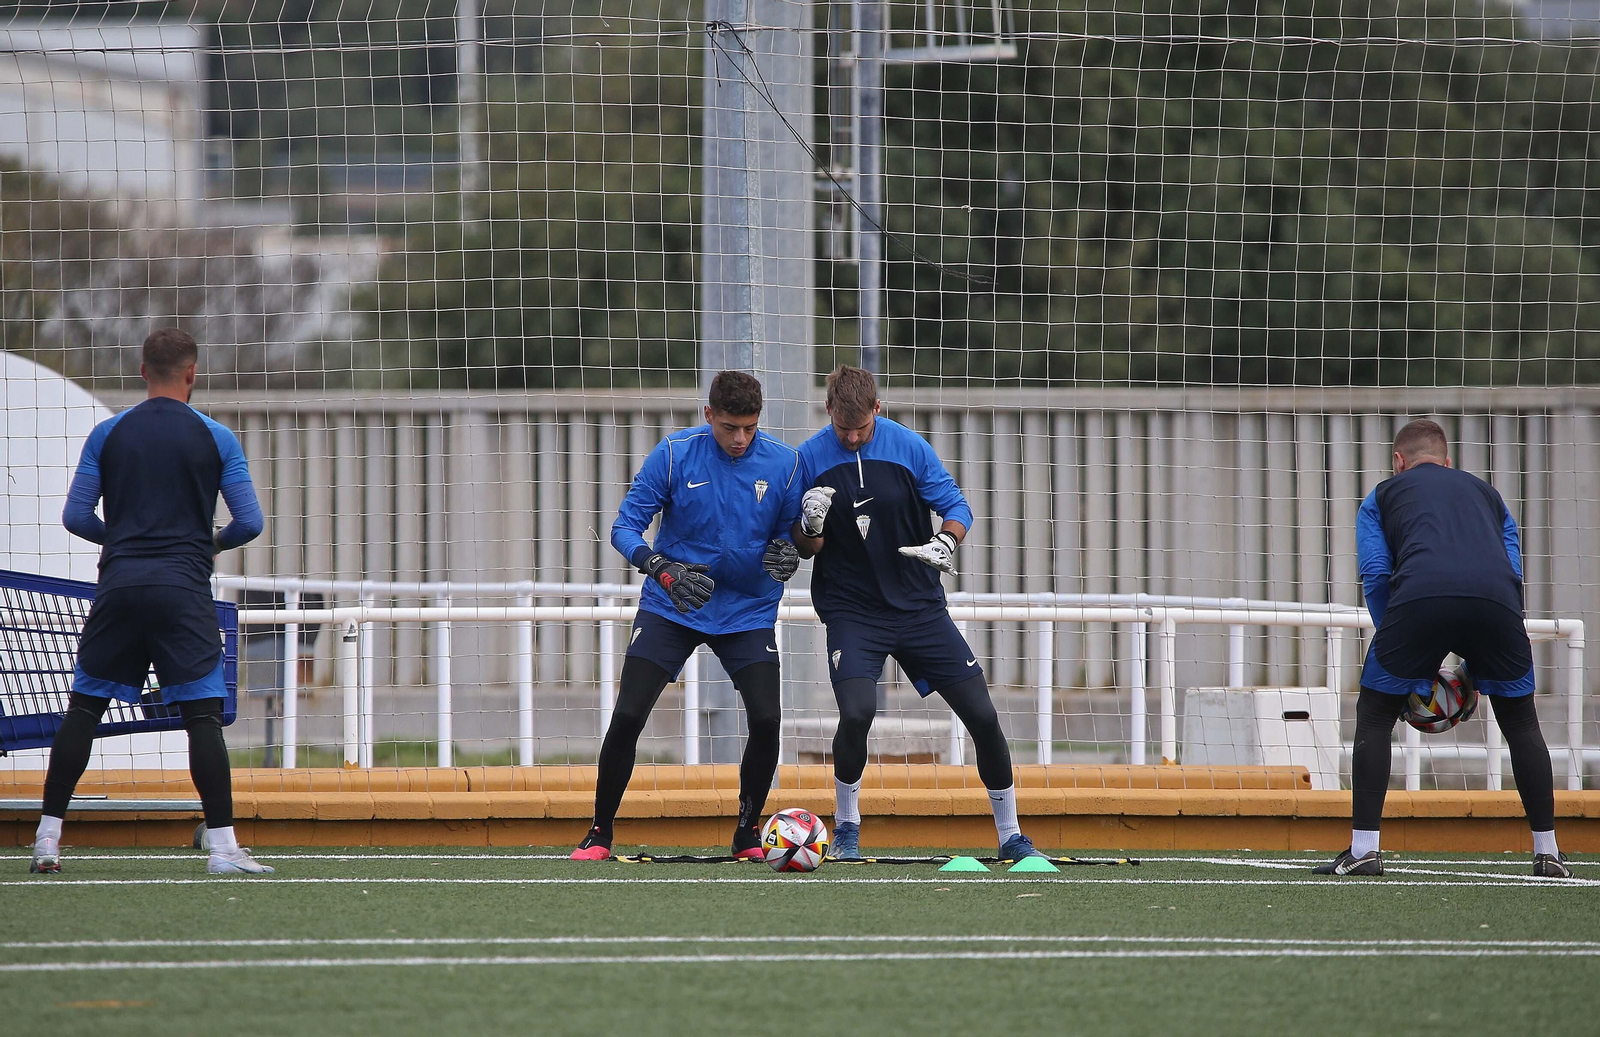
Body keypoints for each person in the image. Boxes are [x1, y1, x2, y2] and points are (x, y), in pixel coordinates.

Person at [30, 328, 270, 876]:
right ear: (192, 373)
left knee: (85, 709)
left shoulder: (108, 434)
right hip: (182, 588)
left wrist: (119, 541)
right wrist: (207, 542)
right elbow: (250, 522)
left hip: (120, 586)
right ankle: (224, 850)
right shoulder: (216, 438)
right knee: (202, 717)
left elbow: (75, 516)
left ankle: (47, 838)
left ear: (143, 371)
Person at [793, 366, 1042, 861]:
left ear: (877, 411)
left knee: (983, 715)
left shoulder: (911, 448)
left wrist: (947, 539)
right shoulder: (807, 458)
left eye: (861, 427)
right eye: (843, 427)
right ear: (828, 412)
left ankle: (1011, 833)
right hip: (853, 612)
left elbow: (957, 507)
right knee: (857, 713)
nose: (851, 436)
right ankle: (846, 828)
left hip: (920, 609)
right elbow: (805, 548)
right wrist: (808, 522)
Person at [1317, 418, 1572, 878]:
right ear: (1447, 461)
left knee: (1375, 713)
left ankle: (1364, 851)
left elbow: (1376, 572)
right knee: (1520, 720)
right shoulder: (1488, 495)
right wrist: (1485, 654)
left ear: (1399, 461)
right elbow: (1513, 568)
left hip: (1420, 597)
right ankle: (1549, 852)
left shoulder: (1381, 496)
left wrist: (1399, 650)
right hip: (1497, 600)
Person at [571, 371, 802, 861]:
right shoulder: (674, 454)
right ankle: (599, 834)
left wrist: (788, 550)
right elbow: (625, 526)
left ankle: (746, 835)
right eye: (728, 427)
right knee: (629, 713)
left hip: (748, 610)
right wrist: (660, 568)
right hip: (673, 603)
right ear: (708, 415)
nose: (740, 439)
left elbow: (791, 535)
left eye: (749, 428)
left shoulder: (785, 462)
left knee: (766, 720)